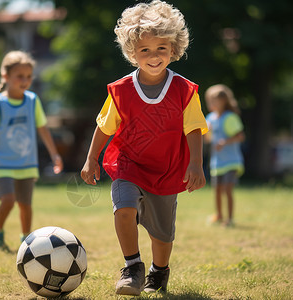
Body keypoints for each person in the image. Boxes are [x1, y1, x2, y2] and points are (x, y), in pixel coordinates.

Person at [80, 0, 208, 295]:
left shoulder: (184, 91)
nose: (153, 56)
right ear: (132, 53)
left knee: (162, 235)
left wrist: (196, 164)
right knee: (123, 209)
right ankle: (133, 266)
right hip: (129, 164)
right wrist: (91, 159)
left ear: (173, 49)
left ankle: (159, 271)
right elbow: (104, 126)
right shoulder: (122, 90)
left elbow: (194, 128)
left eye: (161, 48)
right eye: (145, 50)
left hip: (167, 170)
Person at [0, 51, 63, 252]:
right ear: (5, 77)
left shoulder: (32, 100)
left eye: (29, 76)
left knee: (25, 204)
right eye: (19, 76)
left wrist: (54, 154)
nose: (25, 81)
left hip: (26, 163)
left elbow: (43, 128)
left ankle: (27, 243)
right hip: (1, 163)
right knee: (8, 200)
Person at [204, 84, 245, 227]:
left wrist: (225, 142)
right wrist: (206, 133)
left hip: (232, 161)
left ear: (224, 101)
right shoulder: (210, 118)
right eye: (209, 100)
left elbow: (240, 136)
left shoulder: (230, 117)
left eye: (214, 100)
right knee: (217, 190)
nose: (211, 103)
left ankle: (230, 218)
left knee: (228, 189)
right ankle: (219, 215)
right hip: (217, 162)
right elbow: (208, 139)